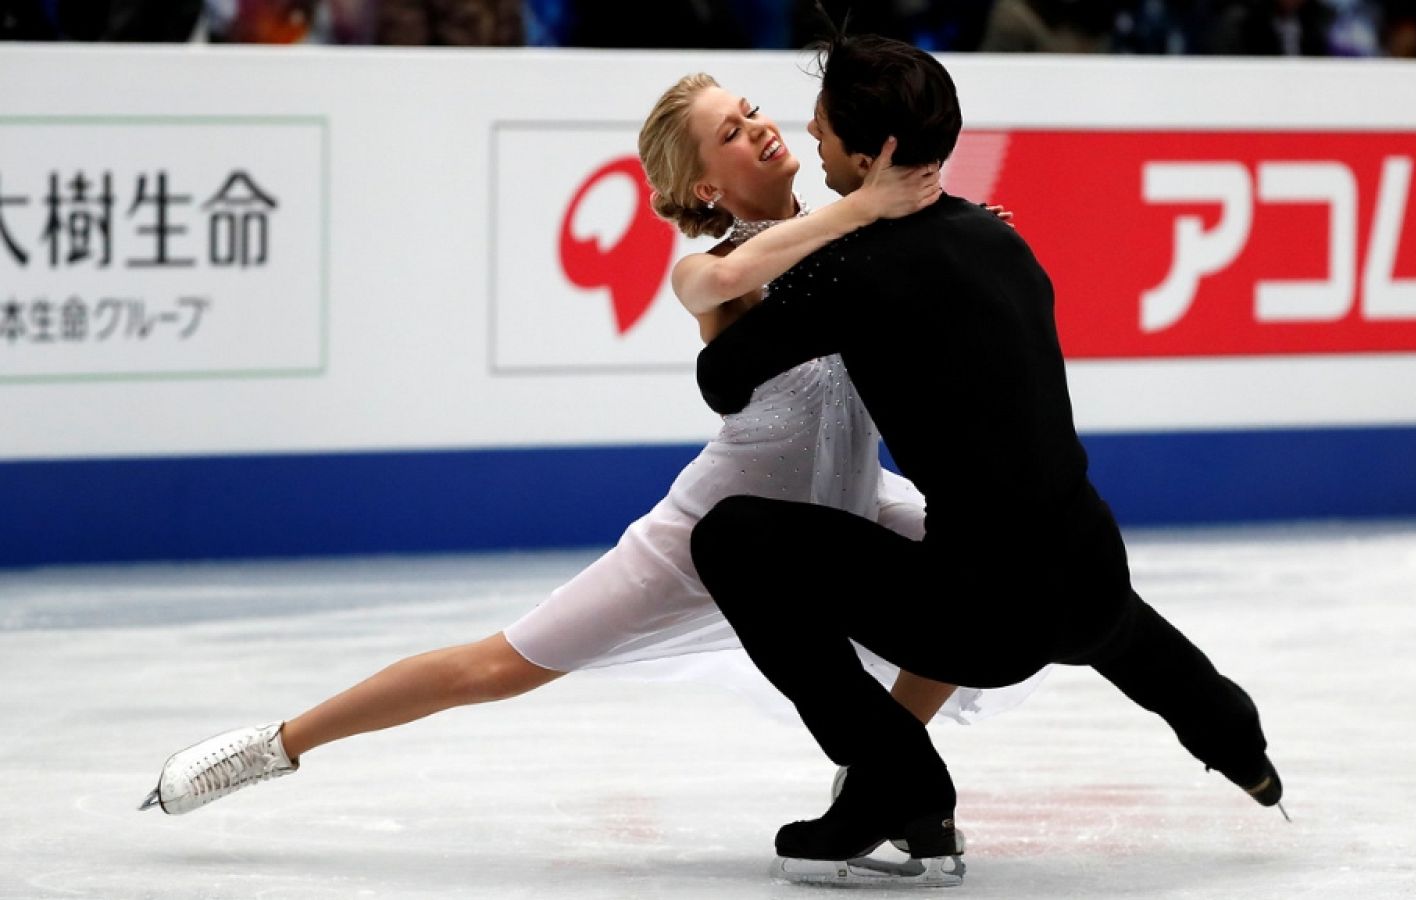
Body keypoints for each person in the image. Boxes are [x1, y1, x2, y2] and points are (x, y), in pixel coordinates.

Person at [139, 71, 1038, 818]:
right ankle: (268, 747)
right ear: (702, 188)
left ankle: (880, 762)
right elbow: (729, 277)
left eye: (753, 110)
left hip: (849, 504)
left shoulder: (875, 237)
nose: (759, 128)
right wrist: (869, 211)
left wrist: (957, 237)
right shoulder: (711, 268)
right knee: (495, 668)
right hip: (716, 529)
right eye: (730, 133)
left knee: (996, 565)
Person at [689, 30, 1282, 882]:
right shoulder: (998, 238)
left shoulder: (852, 270)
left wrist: (810, 249)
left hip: (984, 618)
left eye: (821, 129)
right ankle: (1236, 738)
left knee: (733, 538)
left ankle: (896, 780)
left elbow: (722, 378)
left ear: (868, 156)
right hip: (1091, 570)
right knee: (1084, 592)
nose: (810, 140)